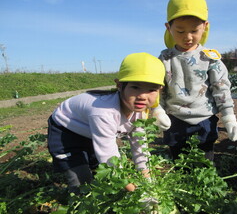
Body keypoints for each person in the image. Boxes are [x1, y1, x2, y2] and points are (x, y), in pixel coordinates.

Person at [47, 52, 167, 192]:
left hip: (90, 130)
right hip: (66, 131)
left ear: (160, 91)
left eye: (152, 90)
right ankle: (81, 207)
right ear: (119, 85)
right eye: (135, 87)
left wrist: (147, 180)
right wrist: (131, 189)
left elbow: (139, 146)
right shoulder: (104, 112)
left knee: (98, 169)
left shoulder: (139, 112)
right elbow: (108, 155)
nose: (142, 96)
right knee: (82, 179)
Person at [156, 0, 237, 161]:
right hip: (175, 119)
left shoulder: (209, 58)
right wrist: (158, 111)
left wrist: (229, 117)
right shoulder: (165, 58)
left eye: (194, 31)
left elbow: (221, 88)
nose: (188, 37)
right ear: (168, 27)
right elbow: (158, 88)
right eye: (180, 31)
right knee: (179, 163)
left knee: (205, 163)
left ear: (205, 26)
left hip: (204, 119)